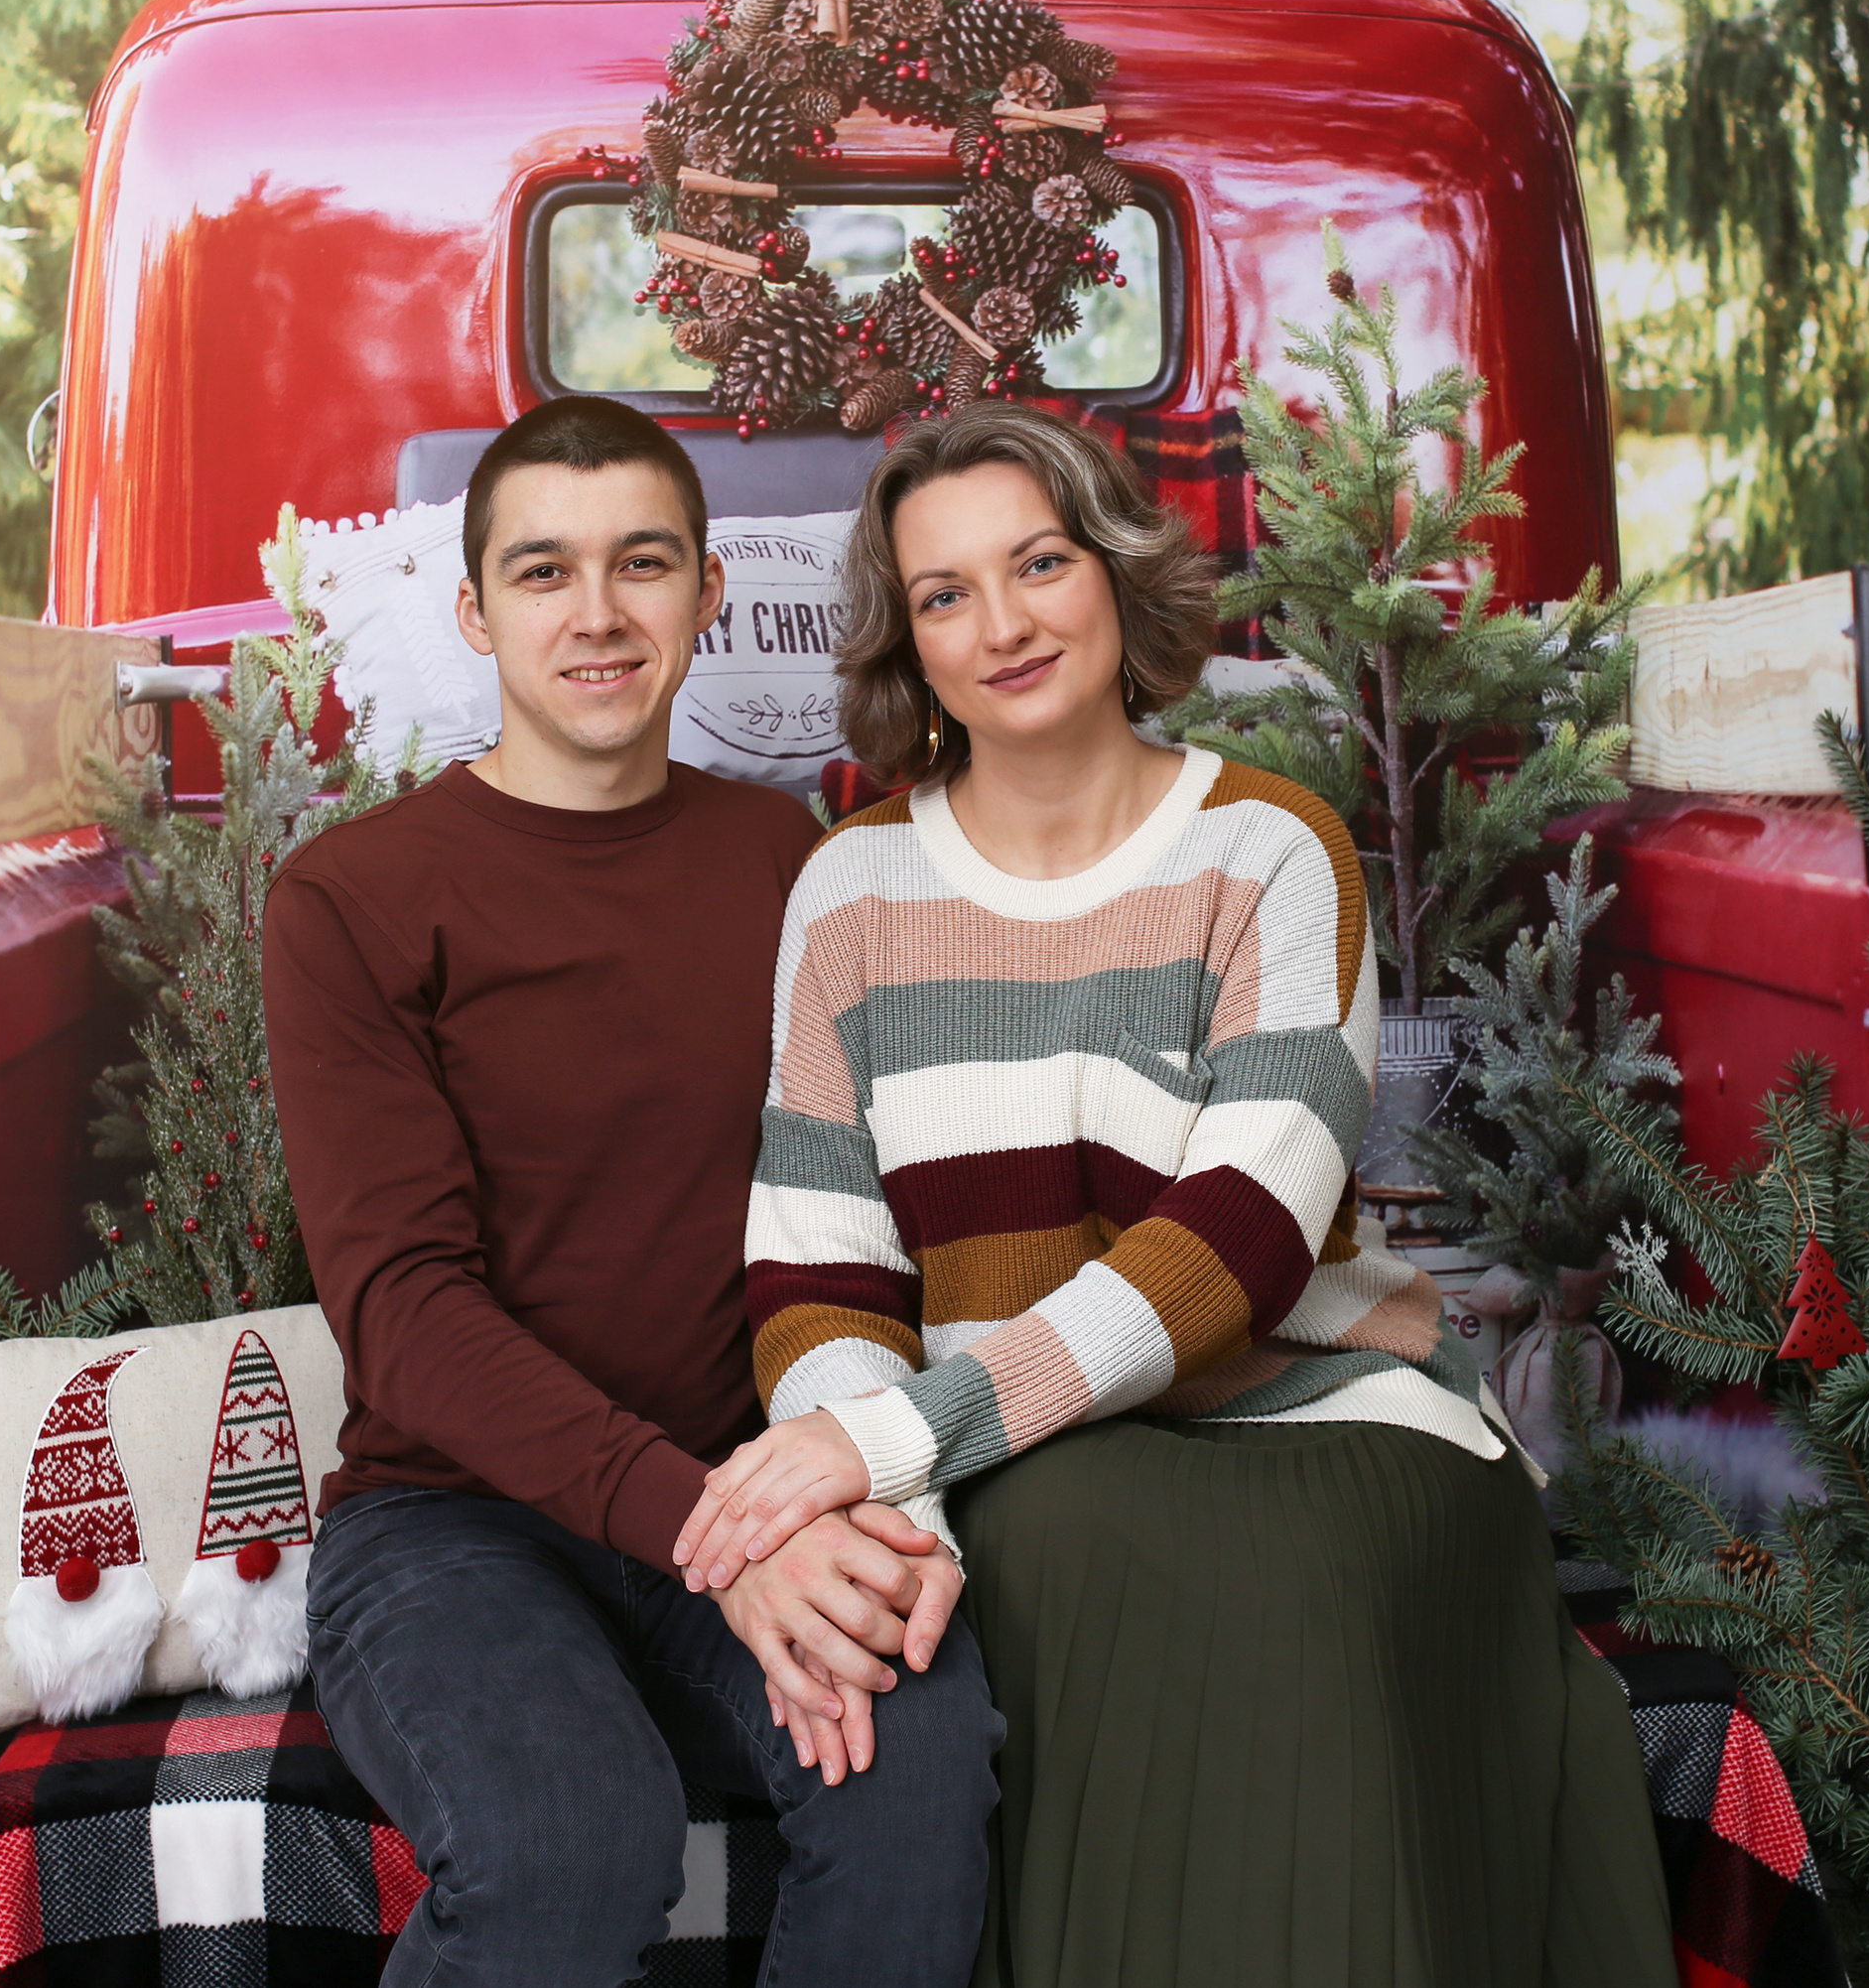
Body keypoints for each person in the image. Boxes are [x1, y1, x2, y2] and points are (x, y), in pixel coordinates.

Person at [676, 401, 1680, 1988]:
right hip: (1011, 1448)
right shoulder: (849, 891)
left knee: (1249, 1578)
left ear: (1115, 574)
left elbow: (1238, 1246)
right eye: (944, 594)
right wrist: (887, 1500)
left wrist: (879, 1445)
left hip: (1329, 1418)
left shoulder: (1273, 852)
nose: (1001, 624)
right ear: (908, 645)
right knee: (1045, 1542)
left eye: (1039, 563)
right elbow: (821, 1271)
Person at [263, 395, 1002, 1988]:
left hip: (742, 1485)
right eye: (542, 572)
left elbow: (871, 1209)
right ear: (474, 611)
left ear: (708, 595)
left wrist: (836, 1490)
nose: (597, 614)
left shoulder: (787, 859)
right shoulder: (353, 898)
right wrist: (711, 1535)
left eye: (641, 564)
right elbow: (402, 1319)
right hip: (456, 1523)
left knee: (920, 1751)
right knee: (574, 1838)